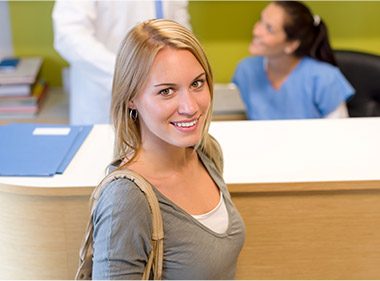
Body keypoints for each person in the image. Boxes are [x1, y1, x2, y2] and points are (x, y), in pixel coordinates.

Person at [91, 19, 246, 279]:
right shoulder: (126, 199)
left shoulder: (205, 152)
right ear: (131, 99)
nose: (190, 107)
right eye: (166, 91)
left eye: (197, 84)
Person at [52, 1, 191, 125]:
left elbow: (179, 25)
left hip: (163, 94)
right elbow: (68, 34)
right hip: (105, 101)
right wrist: (129, 75)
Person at [232, 1, 354, 120]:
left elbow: (339, 134)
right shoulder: (245, 70)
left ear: (292, 44)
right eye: (260, 20)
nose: (256, 31)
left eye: (269, 29)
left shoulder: (325, 78)